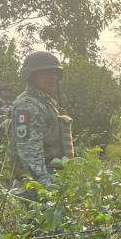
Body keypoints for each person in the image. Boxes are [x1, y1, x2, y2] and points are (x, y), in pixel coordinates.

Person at [10, 51, 74, 187]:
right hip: (34, 188)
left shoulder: (45, 102)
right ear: (31, 76)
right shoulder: (27, 105)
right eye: (44, 73)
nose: (52, 77)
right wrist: (47, 190)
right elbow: (30, 158)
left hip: (51, 180)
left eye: (54, 73)